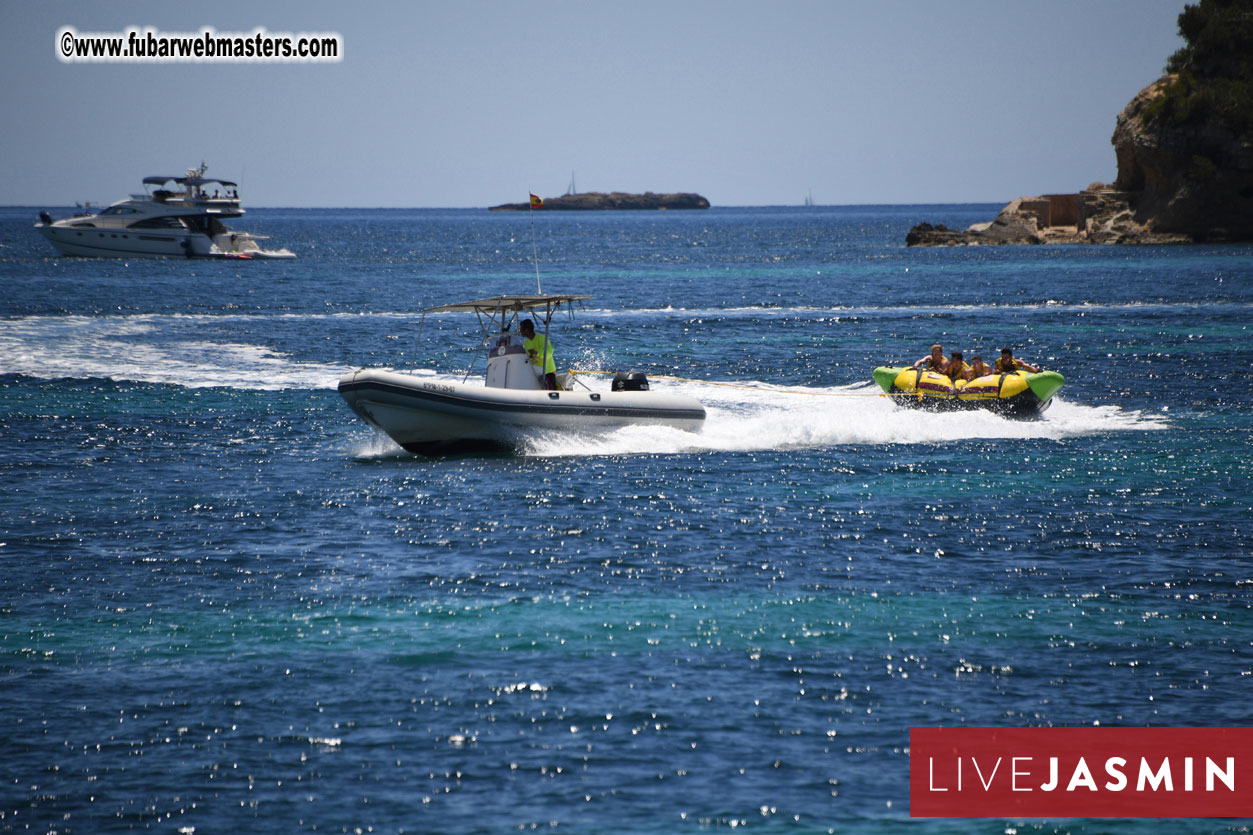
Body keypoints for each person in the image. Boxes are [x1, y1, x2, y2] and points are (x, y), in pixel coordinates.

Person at [519, 318, 558, 390]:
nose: (520, 331)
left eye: (521, 329)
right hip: (536, 373)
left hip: (547, 372)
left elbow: (549, 353)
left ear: (527, 330)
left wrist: (536, 353)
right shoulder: (526, 343)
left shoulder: (542, 338)